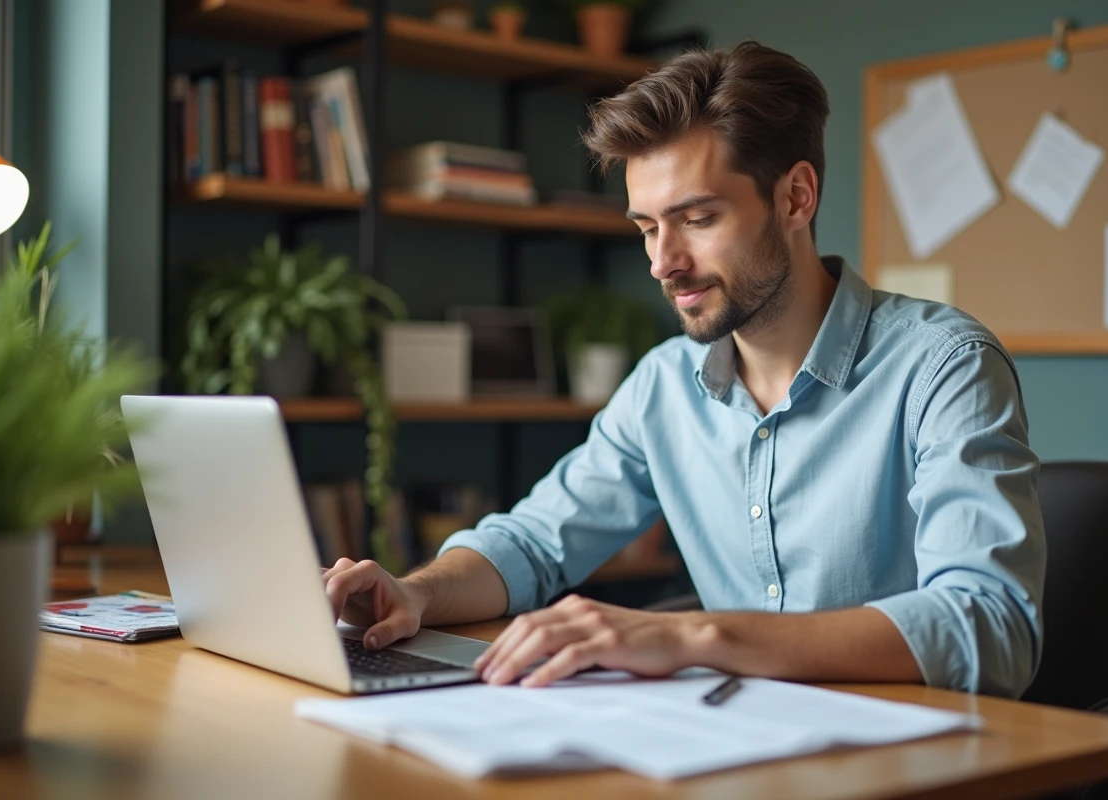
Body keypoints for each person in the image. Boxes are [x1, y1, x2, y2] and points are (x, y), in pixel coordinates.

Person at [323, 41, 1046, 699]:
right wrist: (415, 593)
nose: (662, 263)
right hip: (733, 742)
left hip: (920, 755)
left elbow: (988, 626)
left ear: (796, 196)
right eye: (646, 227)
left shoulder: (944, 366)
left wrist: (695, 635)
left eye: (696, 220)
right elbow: (533, 543)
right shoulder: (665, 384)